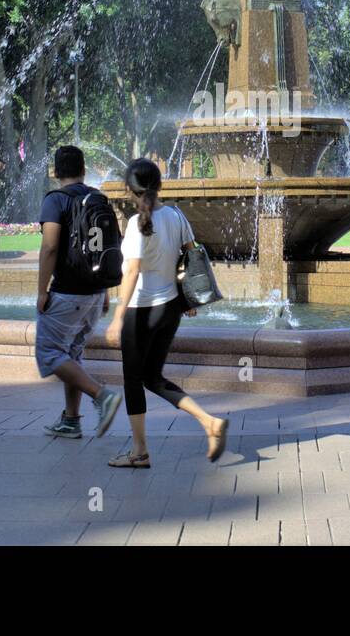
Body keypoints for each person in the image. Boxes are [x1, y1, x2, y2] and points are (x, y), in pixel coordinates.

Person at [104, 158, 228, 468]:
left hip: (140, 311)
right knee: (152, 378)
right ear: (159, 186)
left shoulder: (136, 225)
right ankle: (208, 421)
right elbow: (191, 256)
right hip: (170, 308)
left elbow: (132, 272)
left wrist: (118, 317)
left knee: (134, 381)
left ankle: (139, 451)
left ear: (130, 190)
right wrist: (188, 301)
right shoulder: (176, 215)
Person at [35, 145, 122, 439]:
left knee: (49, 353)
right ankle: (71, 420)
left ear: (55, 172)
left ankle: (101, 395)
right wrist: (106, 288)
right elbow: (107, 248)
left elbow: (49, 247)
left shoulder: (55, 200)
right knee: (71, 353)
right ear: (84, 170)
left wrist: (41, 291)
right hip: (96, 293)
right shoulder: (97, 198)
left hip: (68, 291)